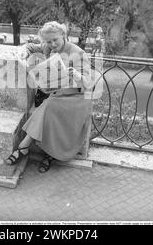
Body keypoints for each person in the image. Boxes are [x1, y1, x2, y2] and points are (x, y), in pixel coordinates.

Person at [5, 21, 93, 173]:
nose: (52, 44)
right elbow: (31, 46)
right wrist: (24, 51)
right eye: (48, 41)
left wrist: (78, 75)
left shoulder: (78, 53)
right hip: (58, 94)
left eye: (55, 40)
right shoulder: (47, 47)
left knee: (49, 105)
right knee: (50, 104)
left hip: (77, 98)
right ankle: (49, 154)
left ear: (64, 35)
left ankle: (23, 147)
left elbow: (87, 85)